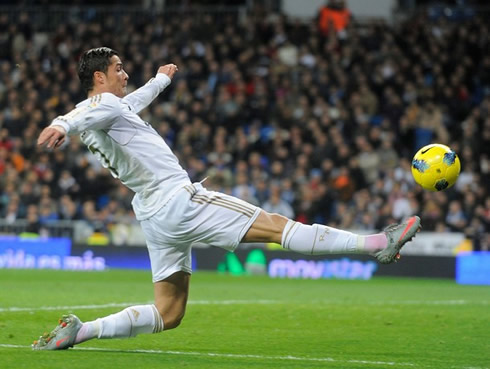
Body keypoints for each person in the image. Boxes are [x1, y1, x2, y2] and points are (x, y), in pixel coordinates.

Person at [32, 47, 421, 350]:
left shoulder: (113, 111)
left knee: (168, 313)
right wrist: (60, 123)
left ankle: (82, 332)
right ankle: (375, 243)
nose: (125, 74)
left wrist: (160, 80)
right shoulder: (102, 106)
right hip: (178, 200)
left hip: (153, 214)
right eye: (119, 69)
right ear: (100, 76)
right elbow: (88, 108)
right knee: (277, 226)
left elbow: (130, 101)